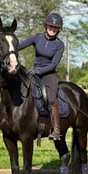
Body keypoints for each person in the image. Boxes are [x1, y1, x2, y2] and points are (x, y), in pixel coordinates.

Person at [18, 12, 65, 140]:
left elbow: (54, 64)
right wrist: (9, 49)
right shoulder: (37, 38)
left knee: (51, 99)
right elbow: (20, 45)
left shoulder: (59, 45)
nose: (52, 29)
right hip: (33, 71)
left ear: (58, 30)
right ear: (46, 26)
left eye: (55, 27)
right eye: (50, 26)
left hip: (48, 73)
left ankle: (56, 130)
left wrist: (39, 72)